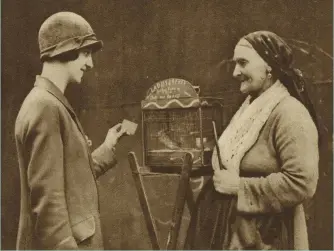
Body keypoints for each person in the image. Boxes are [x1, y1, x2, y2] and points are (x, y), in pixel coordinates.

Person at [184, 31, 319, 250]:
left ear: (269, 67)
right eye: (235, 64)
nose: (236, 72)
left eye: (243, 63)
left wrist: (239, 187)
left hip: (265, 236)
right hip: (229, 230)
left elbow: (301, 183)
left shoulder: (290, 114)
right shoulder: (250, 108)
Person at [15, 12, 128, 250]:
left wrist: (107, 147)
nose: (90, 63)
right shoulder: (45, 107)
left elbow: (71, 178)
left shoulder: (48, 103)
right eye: (86, 53)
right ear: (65, 50)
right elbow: (49, 205)